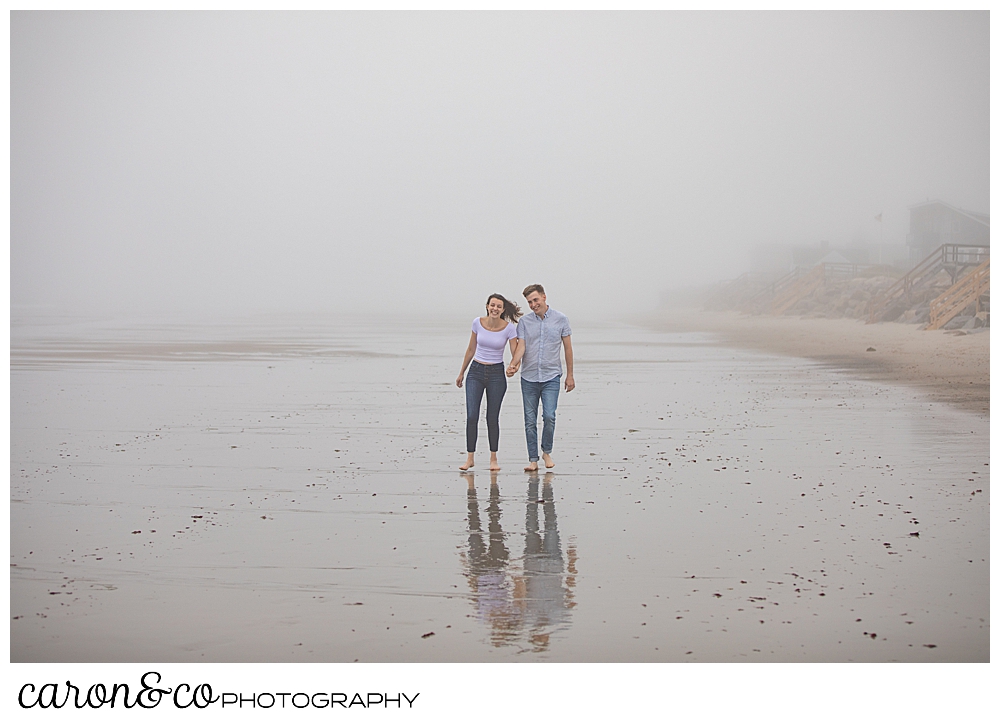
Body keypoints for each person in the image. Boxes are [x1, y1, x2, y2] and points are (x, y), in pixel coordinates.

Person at [506, 284, 574, 472]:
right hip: (529, 377)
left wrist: (570, 375)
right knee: (529, 420)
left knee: (549, 416)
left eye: (535, 300)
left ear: (544, 297)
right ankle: (533, 460)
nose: (533, 304)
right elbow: (521, 347)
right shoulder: (525, 322)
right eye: (529, 302)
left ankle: (547, 451)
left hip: (551, 376)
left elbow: (568, 348)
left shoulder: (561, 319)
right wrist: (513, 364)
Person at [456, 294, 522, 471]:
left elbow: (516, 353)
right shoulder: (477, 323)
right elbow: (471, 349)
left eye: (499, 306)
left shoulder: (509, 329)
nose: (495, 309)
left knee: (492, 418)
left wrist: (513, 366)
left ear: (502, 309)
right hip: (475, 372)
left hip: (496, 374)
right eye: (492, 305)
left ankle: (493, 459)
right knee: (472, 416)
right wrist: (462, 372)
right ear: (487, 306)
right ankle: (470, 458)